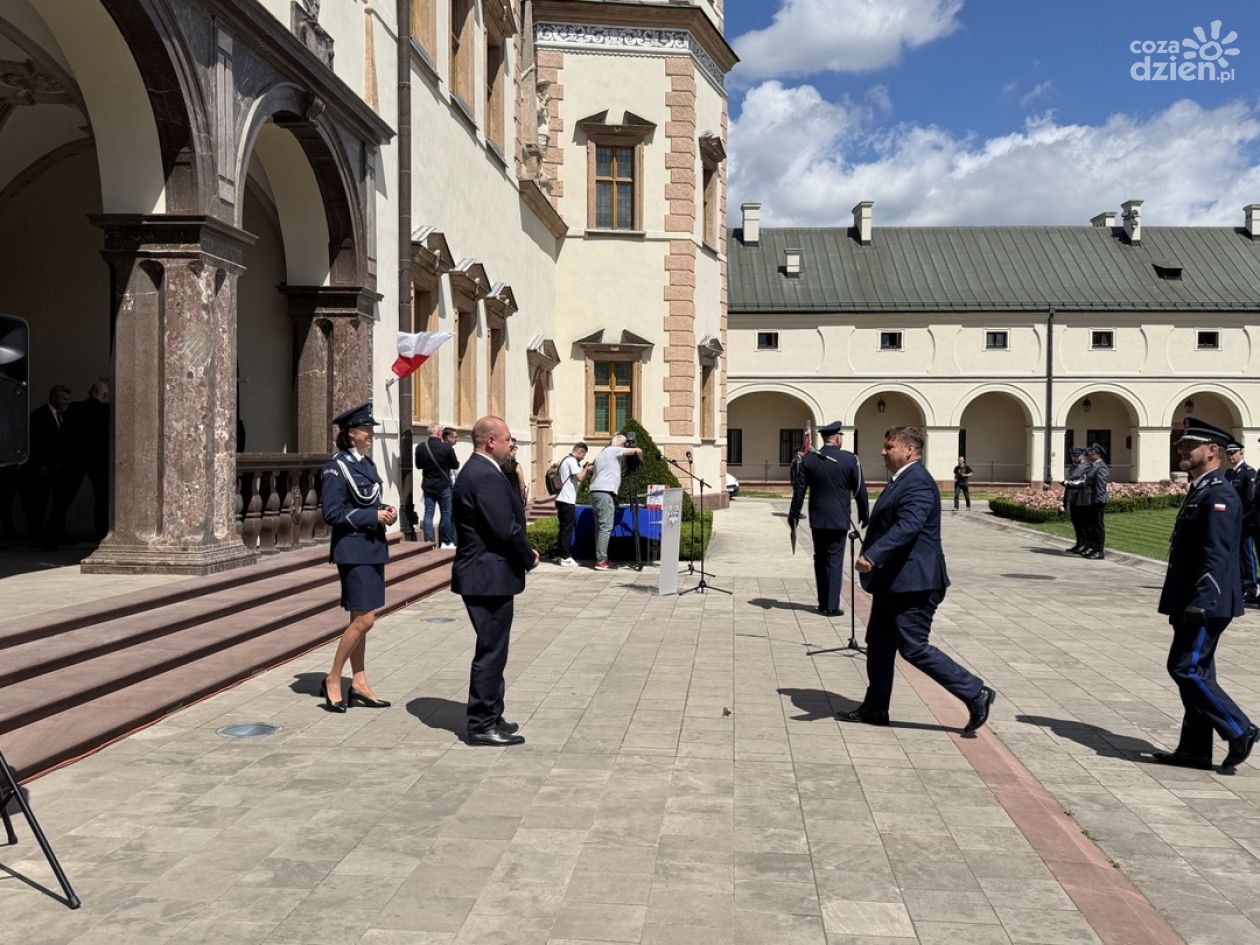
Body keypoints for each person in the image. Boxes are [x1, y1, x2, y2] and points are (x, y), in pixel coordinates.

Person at [844, 426, 995, 734]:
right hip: (893, 581)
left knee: (913, 646)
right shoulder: (901, 480)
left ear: (909, 450)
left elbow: (909, 526)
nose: (883, 452)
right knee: (879, 645)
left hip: (915, 583)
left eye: (890, 447)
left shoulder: (919, 483)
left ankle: (974, 691)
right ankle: (875, 708)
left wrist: (873, 555)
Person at [1152, 417, 1258, 774]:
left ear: (1213, 451)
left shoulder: (1220, 493)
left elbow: (1218, 554)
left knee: (1185, 668)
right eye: (1181, 445)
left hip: (1207, 602)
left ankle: (1240, 729)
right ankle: (1195, 750)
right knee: (1198, 672)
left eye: (1189, 445)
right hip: (1190, 599)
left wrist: (1202, 601)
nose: (1181, 449)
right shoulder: (1201, 489)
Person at [451, 416, 540, 746]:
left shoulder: (483, 470)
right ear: (491, 442)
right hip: (486, 576)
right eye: (507, 439)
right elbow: (504, 529)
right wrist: (528, 557)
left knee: (495, 649)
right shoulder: (484, 475)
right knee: (491, 651)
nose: (511, 445)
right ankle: (481, 724)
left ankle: (493, 714)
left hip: (487, 574)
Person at [319, 403, 397, 713]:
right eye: (366, 430)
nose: (371, 435)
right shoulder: (335, 468)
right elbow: (332, 513)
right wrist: (371, 516)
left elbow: (368, 502)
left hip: (372, 547)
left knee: (359, 621)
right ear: (351, 434)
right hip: (353, 550)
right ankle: (333, 678)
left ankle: (360, 682)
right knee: (365, 620)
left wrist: (385, 511)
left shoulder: (366, 464)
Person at [787, 420, 869, 617]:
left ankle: (823, 602)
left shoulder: (808, 460)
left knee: (820, 559)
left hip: (818, 519)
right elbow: (860, 489)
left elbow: (799, 491)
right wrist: (864, 513)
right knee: (834, 560)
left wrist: (794, 515)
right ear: (838, 438)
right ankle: (831, 606)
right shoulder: (850, 459)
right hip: (838, 519)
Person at [49, 380, 111, 544]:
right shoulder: (107, 411)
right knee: (102, 501)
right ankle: (101, 536)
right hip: (99, 462)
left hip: (74, 460)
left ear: (90, 392)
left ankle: (54, 535)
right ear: (105, 395)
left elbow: (64, 435)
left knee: (63, 501)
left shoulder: (75, 408)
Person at [21, 384, 71, 549]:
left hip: (59, 468)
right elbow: (35, 443)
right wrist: (41, 464)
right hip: (43, 468)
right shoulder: (39, 415)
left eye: (68, 399)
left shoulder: (64, 415)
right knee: (40, 503)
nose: (67, 402)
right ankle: (37, 536)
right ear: (54, 398)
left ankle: (56, 534)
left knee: (59, 502)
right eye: (64, 399)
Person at [589, 433, 643, 570]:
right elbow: (638, 451)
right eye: (625, 445)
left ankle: (601, 558)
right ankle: (601, 561)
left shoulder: (602, 454)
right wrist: (639, 456)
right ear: (622, 445)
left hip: (595, 492)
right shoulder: (614, 450)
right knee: (606, 527)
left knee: (600, 527)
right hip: (604, 492)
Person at [415, 421, 459, 550]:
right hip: (443, 485)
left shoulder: (421, 447)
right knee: (446, 514)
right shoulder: (446, 448)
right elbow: (455, 465)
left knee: (428, 513)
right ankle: (446, 542)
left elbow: (418, 465)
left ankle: (428, 542)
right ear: (439, 433)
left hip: (428, 485)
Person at [1224, 442, 1258, 605]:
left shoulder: (1248, 472)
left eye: (1234, 453)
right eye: (1228, 454)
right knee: (1234, 555)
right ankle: (1238, 586)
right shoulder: (1229, 474)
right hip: (1231, 522)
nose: (1231, 457)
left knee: (1246, 555)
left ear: (1241, 454)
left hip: (1244, 522)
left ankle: (1250, 589)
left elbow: (1250, 501)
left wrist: (1244, 520)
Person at [1069, 443, 1109, 559]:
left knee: (1097, 526)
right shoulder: (1092, 466)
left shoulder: (1101, 467)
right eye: (1088, 453)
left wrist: (1097, 501)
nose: (1089, 455)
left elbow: (1100, 486)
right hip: (1090, 501)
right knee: (1090, 525)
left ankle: (1099, 550)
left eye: (1092, 453)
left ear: (1098, 454)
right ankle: (1092, 547)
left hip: (1097, 501)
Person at [555, 442, 589, 567]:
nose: (583, 458)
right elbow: (579, 477)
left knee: (563, 528)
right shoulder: (572, 461)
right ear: (579, 451)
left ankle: (560, 555)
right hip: (567, 499)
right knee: (567, 529)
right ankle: (565, 557)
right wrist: (586, 469)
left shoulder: (564, 459)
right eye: (583, 455)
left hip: (560, 498)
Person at [1063, 447, 1089, 553]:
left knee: (1082, 523)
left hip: (1080, 498)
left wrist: (1070, 483)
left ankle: (1084, 544)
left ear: (1082, 456)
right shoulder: (1072, 467)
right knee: (1076, 522)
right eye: (1073, 456)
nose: (1075, 458)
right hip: (1072, 498)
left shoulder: (1086, 467)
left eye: (1077, 456)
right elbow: (1068, 481)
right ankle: (1078, 544)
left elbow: (1083, 482)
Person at [504, 437, 529, 505]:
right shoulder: (517, 466)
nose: (515, 452)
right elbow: (522, 486)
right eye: (515, 449)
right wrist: (523, 498)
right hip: (516, 499)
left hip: (504, 499)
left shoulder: (500, 465)